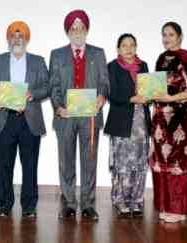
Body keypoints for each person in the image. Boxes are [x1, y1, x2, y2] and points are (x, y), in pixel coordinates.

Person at [49, 9, 109, 221]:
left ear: (87, 30)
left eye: (81, 27)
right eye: (73, 28)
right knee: (66, 162)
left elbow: (104, 83)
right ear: (68, 31)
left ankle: (88, 205)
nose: (77, 31)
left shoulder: (98, 53)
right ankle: (68, 204)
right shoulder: (57, 55)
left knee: (89, 162)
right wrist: (58, 108)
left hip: (90, 117)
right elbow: (53, 86)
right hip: (65, 116)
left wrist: (102, 97)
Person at [0, 21, 49, 218]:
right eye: (14, 35)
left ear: (27, 38)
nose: (17, 38)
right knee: (5, 165)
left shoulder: (38, 61)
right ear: (8, 39)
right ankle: (5, 205)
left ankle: (29, 206)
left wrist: (32, 94)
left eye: (21, 35)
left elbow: (47, 87)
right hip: (5, 119)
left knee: (30, 165)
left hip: (29, 120)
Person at [150, 22, 187, 223]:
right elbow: (154, 87)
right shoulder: (161, 59)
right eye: (164, 35)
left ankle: (178, 209)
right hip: (160, 118)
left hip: (179, 118)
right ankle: (164, 204)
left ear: (179, 36)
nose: (167, 38)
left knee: (177, 161)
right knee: (161, 162)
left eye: (171, 34)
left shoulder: (185, 58)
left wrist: (170, 99)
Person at [103, 33, 150, 218]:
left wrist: (150, 96)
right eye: (124, 45)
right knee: (122, 163)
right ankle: (120, 199)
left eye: (132, 45)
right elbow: (111, 94)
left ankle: (137, 200)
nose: (128, 49)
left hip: (140, 121)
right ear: (118, 49)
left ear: (136, 47)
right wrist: (132, 98)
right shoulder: (112, 67)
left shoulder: (143, 66)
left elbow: (150, 90)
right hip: (121, 121)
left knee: (139, 163)